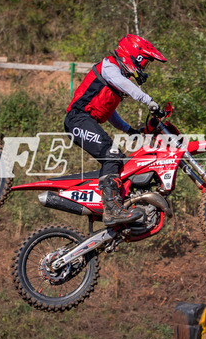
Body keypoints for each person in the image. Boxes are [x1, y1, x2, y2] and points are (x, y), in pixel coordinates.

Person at [64, 34, 166, 227]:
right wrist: (148, 101)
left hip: (84, 121)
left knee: (120, 160)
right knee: (111, 156)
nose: (144, 68)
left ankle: (122, 206)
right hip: (77, 120)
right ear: (134, 56)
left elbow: (109, 112)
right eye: (144, 62)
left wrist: (129, 130)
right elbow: (126, 86)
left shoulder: (115, 76)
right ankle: (111, 210)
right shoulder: (109, 67)